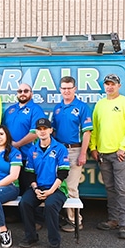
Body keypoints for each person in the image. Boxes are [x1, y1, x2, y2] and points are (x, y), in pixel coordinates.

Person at [91, 73, 125, 240]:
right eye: (107, 84)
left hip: (120, 155)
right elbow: (95, 128)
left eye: (113, 84)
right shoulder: (100, 104)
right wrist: (93, 148)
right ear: (104, 86)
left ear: (119, 86)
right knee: (110, 188)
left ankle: (124, 224)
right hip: (103, 154)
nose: (110, 87)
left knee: (121, 189)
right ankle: (113, 220)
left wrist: (123, 148)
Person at [17, 119, 71, 248]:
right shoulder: (32, 150)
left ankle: (54, 241)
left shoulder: (60, 148)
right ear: (36, 132)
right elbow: (30, 173)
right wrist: (35, 189)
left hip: (57, 188)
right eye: (39, 129)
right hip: (38, 187)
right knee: (24, 203)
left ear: (51, 130)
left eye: (45, 129)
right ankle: (31, 237)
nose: (42, 132)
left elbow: (63, 173)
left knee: (50, 205)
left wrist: (50, 191)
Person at [50, 76, 93, 232]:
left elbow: (87, 132)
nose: (66, 91)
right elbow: (53, 132)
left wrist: (83, 153)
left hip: (75, 150)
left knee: (71, 187)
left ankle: (75, 221)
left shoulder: (82, 107)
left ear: (75, 89)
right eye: (64, 88)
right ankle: (63, 217)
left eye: (69, 88)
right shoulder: (57, 108)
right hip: (59, 151)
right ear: (60, 90)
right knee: (58, 184)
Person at [3, 83, 47, 195]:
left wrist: (17, 144)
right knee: (7, 189)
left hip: (27, 156)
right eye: (20, 91)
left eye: (26, 91)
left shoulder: (36, 110)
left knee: (26, 189)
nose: (22, 93)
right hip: (9, 156)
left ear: (31, 93)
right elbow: (2, 131)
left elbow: (35, 132)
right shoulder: (10, 110)